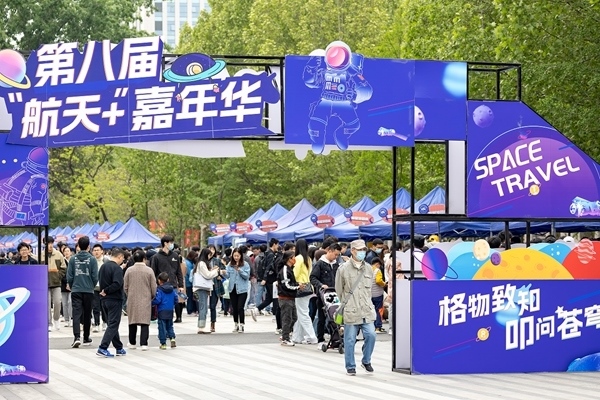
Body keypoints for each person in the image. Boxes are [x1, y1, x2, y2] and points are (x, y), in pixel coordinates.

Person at [335, 239, 377, 376]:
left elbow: (369, 289)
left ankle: (366, 360)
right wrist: (347, 303)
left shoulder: (368, 268)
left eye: (364, 250)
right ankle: (350, 365)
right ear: (352, 251)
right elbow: (339, 290)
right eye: (359, 250)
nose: (362, 252)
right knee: (350, 339)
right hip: (351, 309)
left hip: (366, 308)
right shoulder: (343, 269)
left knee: (371, 335)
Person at [67, 236, 98, 349]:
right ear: (89, 246)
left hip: (76, 289)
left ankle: (76, 337)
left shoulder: (72, 259)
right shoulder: (92, 259)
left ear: (78, 246)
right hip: (88, 290)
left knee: (76, 313)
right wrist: (91, 286)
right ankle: (86, 337)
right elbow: (95, 276)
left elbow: (69, 276)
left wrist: (72, 286)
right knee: (87, 314)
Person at [124, 250, 156, 351]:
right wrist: (151, 296)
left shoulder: (129, 270)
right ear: (144, 259)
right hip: (145, 298)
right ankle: (144, 343)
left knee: (132, 321)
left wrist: (129, 294)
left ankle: (132, 342)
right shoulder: (149, 271)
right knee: (144, 321)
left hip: (132, 299)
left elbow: (125, 286)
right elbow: (153, 287)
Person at [96, 248, 126, 358]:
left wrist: (103, 291)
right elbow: (117, 284)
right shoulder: (117, 269)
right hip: (114, 299)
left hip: (104, 299)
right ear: (119, 257)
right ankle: (103, 347)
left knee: (111, 324)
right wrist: (107, 290)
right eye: (122, 258)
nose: (122, 260)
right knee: (113, 324)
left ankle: (119, 347)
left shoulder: (103, 266)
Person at [310, 242, 342, 344]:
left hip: (335, 294)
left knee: (337, 316)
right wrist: (321, 285)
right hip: (323, 295)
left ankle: (336, 336)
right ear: (329, 251)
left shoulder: (336, 264)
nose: (336, 257)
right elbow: (312, 277)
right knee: (322, 317)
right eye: (335, 254)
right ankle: (320, 339)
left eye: (338, 255)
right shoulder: (320, 264)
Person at [150, 235, 185, 323]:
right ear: (165, 243)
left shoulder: (175, 256)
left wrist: (181, 285)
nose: (172, 244)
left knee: (172, 304)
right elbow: (153, 272)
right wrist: (154, 285)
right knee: (162, 305)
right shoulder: (156, 257)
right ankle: (162, 322)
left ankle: (172, 321)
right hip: (161, 286)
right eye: (171, 242)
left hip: (173, 284)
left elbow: (179, 271)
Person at [291, 239, 318, 345]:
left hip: (300, 286)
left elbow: (295, 273)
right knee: (301, 312)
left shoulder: (298, 258)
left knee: (303, 313)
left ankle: (312, 336)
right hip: (308, 287)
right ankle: (297, 337)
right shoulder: (308, 258)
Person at [193, 248, 222, 334]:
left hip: (202, 288)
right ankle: (201, 327)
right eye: (209, 255)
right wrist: (216, 271)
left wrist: (212, 270)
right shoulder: (202, 263)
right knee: (203, 307)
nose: (210, 257)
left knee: (204, 307)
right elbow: (208, 275)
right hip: (202, 288)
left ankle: (201, 326)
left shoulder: (201, 263)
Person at [277, 251, 304, 346]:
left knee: (294, 317)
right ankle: (285, 338)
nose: (295, 259)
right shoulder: (285, 269)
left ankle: (285, 334)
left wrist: (297, 284)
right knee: (287, 319)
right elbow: (286, 285)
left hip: (291, 297)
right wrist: (297, 287)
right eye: (293, 257)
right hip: (285, 297)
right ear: (289, 259)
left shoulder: (290, 269)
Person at [223, 248, 251, 333]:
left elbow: (247, 276)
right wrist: (223, 273)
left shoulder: (245, 264)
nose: (236, 257)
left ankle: (242, 324)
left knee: (240, 307)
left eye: (238, 256)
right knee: (234, 308)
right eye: (234, 256)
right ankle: (236, 324)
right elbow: (227, 276)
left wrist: (240, 270)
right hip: (232, 289)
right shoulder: (230, 264)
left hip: (242, 289)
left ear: (241, 256)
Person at [152, 272, 178, 350]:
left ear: (159, 280)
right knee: (170, 325)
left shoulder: (159, 290)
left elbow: (158, 300)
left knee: (162, 327)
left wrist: (152, 302)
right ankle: (172, 338)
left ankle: (163, 343)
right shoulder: (172, 289)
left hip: (162, 310)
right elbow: (176, 299)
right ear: (168, 279)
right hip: (170, 310)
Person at [46, 236, 67, 332]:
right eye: (48, 243)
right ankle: (49, 323)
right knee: (47, 304)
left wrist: (58, 276)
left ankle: (56, 318)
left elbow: (63, 268)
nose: (50, 245)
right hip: (45, 283)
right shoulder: (42, 255)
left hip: (56, 283)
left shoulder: (58, 254)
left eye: (51, 243)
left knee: (57, 302)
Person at [257, 239, 279, 315]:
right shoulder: (271, 254)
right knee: (275, 297)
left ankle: (257, 309)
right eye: (277, 244)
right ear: (274, 244)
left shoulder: (267, 253)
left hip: (268, 279)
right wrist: (265, 278)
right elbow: (268, 267)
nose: (278, 246)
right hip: (270, 279)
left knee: (269, 299)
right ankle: (275, 314)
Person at [92, 244, 108, 332]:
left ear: (102, 251)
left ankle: (105, 322)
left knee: (104, 306)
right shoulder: (91, 261)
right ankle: (97, 323)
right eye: (94, 250)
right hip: (94, 287)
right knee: (95, 306)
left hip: (104, 287)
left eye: (98, 250)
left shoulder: (106, 261)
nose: (96, 252)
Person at [370, 257, 386, 333]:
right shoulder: (377, 270)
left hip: (370, 294)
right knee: (378, 310)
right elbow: (378, 281)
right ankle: (378, 326)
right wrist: (384, 284)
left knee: (371, 311)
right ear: (377, 264)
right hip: (377, 293)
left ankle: (372, 326)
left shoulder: (368, 270)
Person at [61, 246, 73, 327]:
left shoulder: (73, 260)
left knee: (70, 302)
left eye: (68, 251)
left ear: (70, 252)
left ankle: (71, 318)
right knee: (64, 303)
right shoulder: (62, 261)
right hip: (63, 284)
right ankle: (66, 319)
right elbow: (61, 273)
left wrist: (70, 282)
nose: (67, 252)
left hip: (72, 284)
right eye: (65, 251)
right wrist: (66, 282)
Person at [184, 250, 198, 316]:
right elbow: (190, 273)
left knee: (191, 297)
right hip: (189, 283)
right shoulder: (188, 263)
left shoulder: (188, 262)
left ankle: (192, 310)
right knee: (190, 297)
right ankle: (190, 310)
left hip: (189, 282)